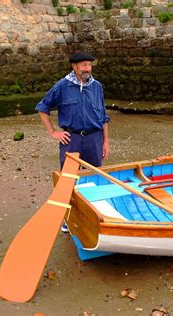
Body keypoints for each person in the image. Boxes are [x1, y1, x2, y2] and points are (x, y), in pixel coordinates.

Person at [35, 52, 110, 233]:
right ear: (74, 67)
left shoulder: (97, 86)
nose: (87, 69)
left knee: (94, 176)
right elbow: (42, 107)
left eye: (89, 65)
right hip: (72, 139)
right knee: (69, 179)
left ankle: (93, 213)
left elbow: (103, 116)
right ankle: (67, 218)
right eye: (83, 65)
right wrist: (53, 132)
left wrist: (105, 141)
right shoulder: (62, 86)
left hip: (94, 138)